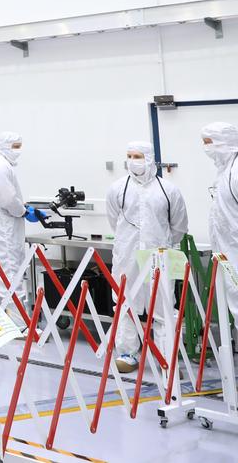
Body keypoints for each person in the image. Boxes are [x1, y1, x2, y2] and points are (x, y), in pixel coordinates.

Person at [105, 142, 187, 373]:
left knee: (162, 304)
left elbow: (179, 225)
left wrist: (161, 242)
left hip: (159, 255)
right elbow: (114, 220)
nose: (133, 160)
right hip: (127, 254)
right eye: (129, 156)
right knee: (125, 302)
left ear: (149, 158)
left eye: (138, 156)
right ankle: (127, 353)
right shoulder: (117, 188)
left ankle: (166, 357)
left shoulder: (168, 190)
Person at [0, 132, 44, 310]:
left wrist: (23, 207)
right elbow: (8, 200)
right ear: (4, 145)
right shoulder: (0, 166)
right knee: (11, 276)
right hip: (3, 232)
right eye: (15, 147)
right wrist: (23, 211)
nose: (18, 151)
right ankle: (20, 327)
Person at [204, 122, 238, 321]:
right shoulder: (224, 172)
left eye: (210, 143)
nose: (206, 148)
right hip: (228, 254)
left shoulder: (235, 173)